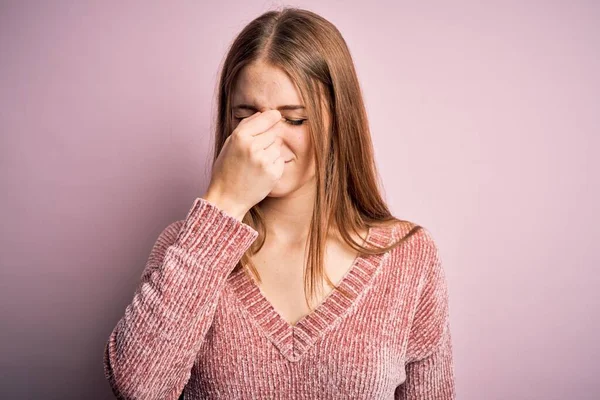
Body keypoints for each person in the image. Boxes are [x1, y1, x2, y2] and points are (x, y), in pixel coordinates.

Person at [103, 6, 456, 400]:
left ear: (339, 122)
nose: (267, 139)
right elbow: (139, 389)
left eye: (295, 119)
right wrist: (222, 204)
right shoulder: (184, 248)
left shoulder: (409, 258)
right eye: (247, 116)